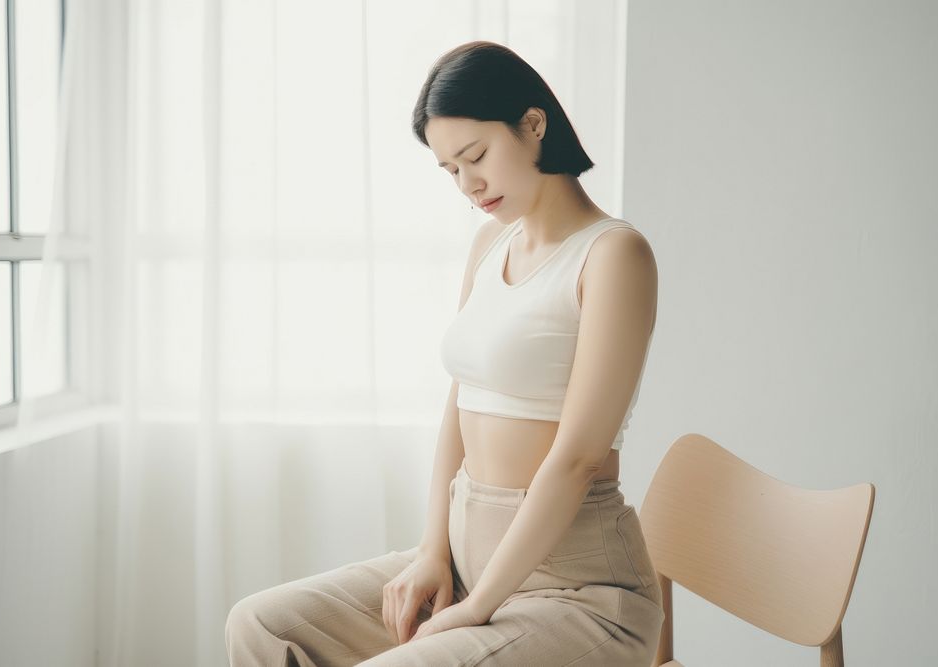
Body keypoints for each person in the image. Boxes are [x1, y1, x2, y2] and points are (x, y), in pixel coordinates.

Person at [225, 40, 662, 666]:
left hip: (579, 590)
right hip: (464, 560)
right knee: (261, 628)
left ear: (534, 125)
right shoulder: (490, 245)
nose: (468, 184)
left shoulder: (614, 254)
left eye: (476, 156)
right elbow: (459, 405)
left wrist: (478, 605)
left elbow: (578, 458)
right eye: (451, 169)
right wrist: (433, 553)